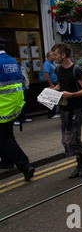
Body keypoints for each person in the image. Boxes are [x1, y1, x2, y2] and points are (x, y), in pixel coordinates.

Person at [51, 43, 82, 179]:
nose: (53, 57)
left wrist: (71, 94)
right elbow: (60, 85)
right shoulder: (58, 69)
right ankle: (81, 161)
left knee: (74, 139)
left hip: (76, 108)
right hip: (64, 108)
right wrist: (52, 90)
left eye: (56, 54)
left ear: (63, 55)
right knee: (66, 140)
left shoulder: (77, 70)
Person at [0, 38, 34, 180]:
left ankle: (25, 166)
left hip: (2, 107)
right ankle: (7, 162)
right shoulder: (12, 61)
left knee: (5, 139)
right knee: (6, 136)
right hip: (13, 105)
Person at [43, 50, 59, 118]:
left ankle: (54, 112)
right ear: (49, 56)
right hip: (50, 83)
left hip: (55, 82)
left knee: (54, 98)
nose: (55, 56)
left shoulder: (52, 63)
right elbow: (46, 74)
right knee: (51, 98)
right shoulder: (47, 64)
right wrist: (51, 84)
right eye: (53, 55)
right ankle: (51, 114)